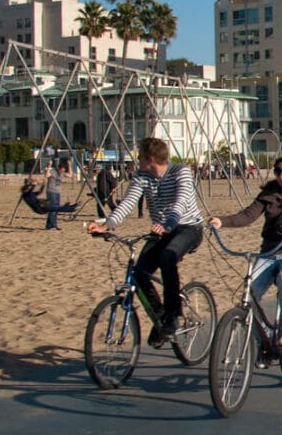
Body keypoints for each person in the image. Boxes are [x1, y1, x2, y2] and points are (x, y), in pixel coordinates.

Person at [87, 137, 204, 348]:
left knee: (168, 256)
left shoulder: (181, 172)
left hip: (188, 227)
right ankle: (160, 319)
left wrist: (169, 223)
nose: (137, 160)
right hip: (161, 229)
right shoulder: (142, 175)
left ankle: (172, 315)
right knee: (139, 272)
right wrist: (108, 224)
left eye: (139, 157)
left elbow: (181, 201)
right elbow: (129, 201)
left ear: (150, 159)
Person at [209, 155, 282, 351]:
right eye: (278, 171)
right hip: (268, 253)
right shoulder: (268, 196)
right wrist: (221, 221)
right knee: (249, 294)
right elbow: (247, 216)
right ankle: (266, 341)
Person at [43, 158, 71, 230]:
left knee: (56, 209)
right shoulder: (52, 171)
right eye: (61, 170)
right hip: (51, 191)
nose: (62, 171)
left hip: (57, 192)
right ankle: (51, 225)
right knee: (53, 208)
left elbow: (70, 175)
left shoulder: (62, 173)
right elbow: (46, 175)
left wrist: (69, 165)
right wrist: (49, 165)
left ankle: (51, 225)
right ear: (58, 168)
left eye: (63, 170)